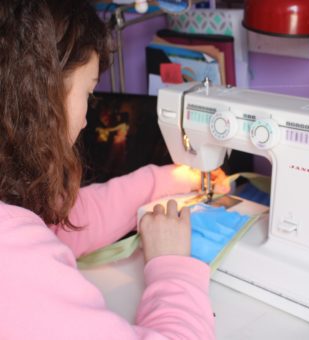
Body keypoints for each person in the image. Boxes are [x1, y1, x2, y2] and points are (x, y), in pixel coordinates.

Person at [0, 1, 229, 338]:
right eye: (89, 93)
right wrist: (171, 267)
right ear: (42, 96)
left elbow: (61, 221)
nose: (85, 119)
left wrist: (166, 180)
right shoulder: (13, 261)